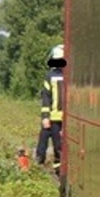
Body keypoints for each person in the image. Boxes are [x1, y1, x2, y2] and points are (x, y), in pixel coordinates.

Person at [36, 44, 66, 175]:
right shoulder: (64, 75)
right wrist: (46, 117)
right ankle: (56, 166)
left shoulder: (50, 76)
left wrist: (45, 117)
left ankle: (54, 165)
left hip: (55, 117)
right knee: (57, 144)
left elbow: (45, 99)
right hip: (58, 117)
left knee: (57, 144)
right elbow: (47, 98)